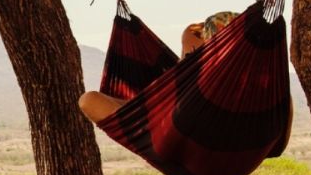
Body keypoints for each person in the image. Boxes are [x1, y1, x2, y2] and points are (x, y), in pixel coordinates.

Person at [78, 11, 239, 123]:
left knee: (90, 100)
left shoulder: (227, 82)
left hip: (177, 120)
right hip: (165, 109)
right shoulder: (190, 78)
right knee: (90, 100)